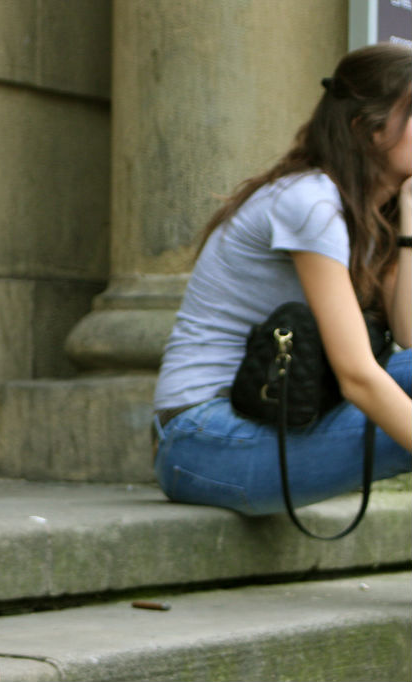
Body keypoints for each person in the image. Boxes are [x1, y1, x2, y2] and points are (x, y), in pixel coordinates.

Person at [152, 43, 412, 518]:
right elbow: (357, 377)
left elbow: (410, 341)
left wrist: (409, 223)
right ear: (365, 127)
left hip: (273, 422)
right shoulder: (310, 203)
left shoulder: (375, 217)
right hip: (200, 441)